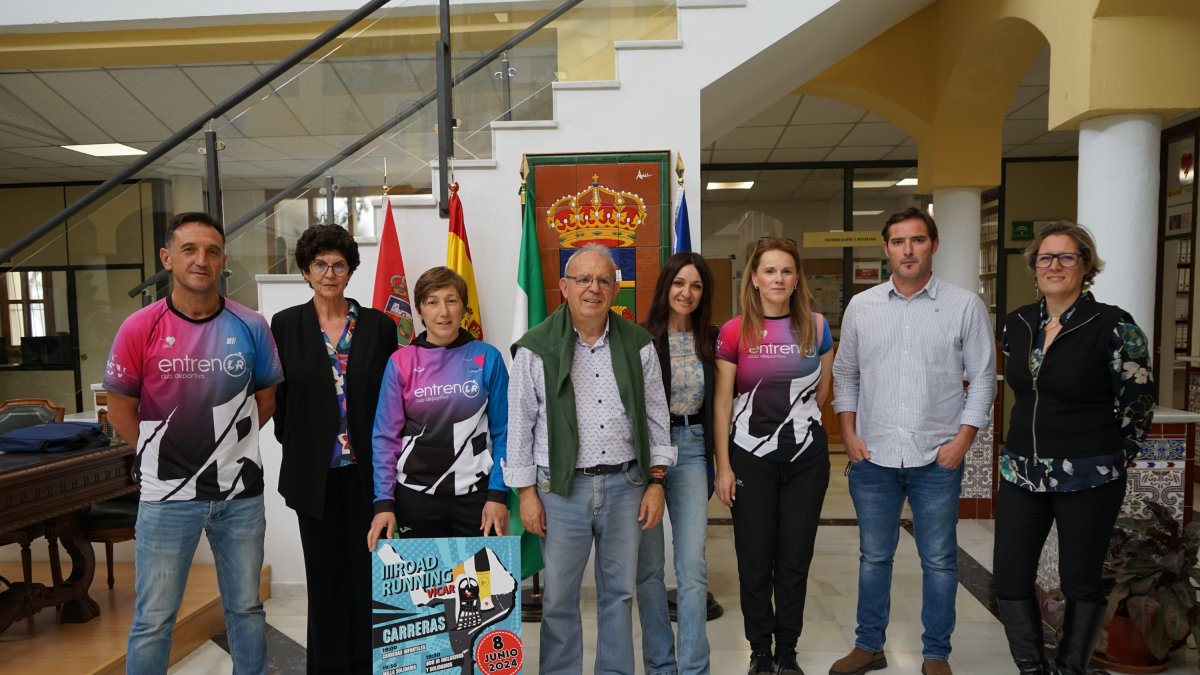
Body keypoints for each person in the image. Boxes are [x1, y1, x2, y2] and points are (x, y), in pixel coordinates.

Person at [105, 212, 283, 675]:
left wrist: (225, 452)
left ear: (223, 260)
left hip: (239, 497)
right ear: (167, 258)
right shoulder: (139, 327)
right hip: (166, 499)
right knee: (153, 619)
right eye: (189, 249)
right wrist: (159, 454)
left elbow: (266, 398)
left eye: (211, 251)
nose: (200, 260)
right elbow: (120, 407)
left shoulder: (251, 325)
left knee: (246, 609)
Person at [830, 207, 996, 675]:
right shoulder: (863, 306)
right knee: (873, 558)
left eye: (917, 241)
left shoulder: (964, 306)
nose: (908, 250)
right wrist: (848, 433)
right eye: (898, 242)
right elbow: (846, 376)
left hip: (937, 459)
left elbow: (983, 380)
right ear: (885, 249)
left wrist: (963, 441)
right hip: (873, 457)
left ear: (934, 245)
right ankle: (869, 646)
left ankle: (936, 654)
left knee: (941, 561)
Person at [505, 243, 676, 674]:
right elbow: (519, 425)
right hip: (560, 491)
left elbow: (657, 419)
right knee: (560, 597)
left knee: (618, 594)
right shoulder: (535, 349)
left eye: (603, 279)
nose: (593, 288)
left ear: (616, 288)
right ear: (564, 287)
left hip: (627, 486)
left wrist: (657, 482)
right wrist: (526, 493)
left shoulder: (638, 344)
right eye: (583, 279)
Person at [994, 221, 1154, 675]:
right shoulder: (1018, 324)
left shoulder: (1115, 325)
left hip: (1090, 474)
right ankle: (1031, 668)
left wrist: (1113, 458)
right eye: (1046, 257)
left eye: (1067, 257)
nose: (1055, 266)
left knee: (1080, 582)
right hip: (1022, 472)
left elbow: (1138, 404)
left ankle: (1069, 670)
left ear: (1086, 267)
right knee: (1009, 579)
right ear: (1034, 267)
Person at [271, 224, 398, 674]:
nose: (329, 273)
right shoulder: (285, 325)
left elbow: (392, 399)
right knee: (325, 581)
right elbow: (281, 400)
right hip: (315, 477)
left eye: (339, 264)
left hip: (370, 476)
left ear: (350, 270)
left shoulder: (381, 326)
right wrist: (306, 444)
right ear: (306, 270)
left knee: (369, 579)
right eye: (320, 264)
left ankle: (370, 667)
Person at [712, 237, 834, 675]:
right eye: (769, 271)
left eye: (786, 270)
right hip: (749, 459)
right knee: (755, 559)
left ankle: (788, 651)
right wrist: (723, 467)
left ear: (796, 278)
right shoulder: (733, 331)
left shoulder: (817, 327)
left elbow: (821, 393)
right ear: (755, 279)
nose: (778, 278)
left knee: (794, 559)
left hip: (806, 461)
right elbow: (723, 404)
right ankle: (760, 651)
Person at [367, 266, 509, 544]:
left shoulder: (488, 357)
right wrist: (383, 502)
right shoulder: (400, 362)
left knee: (480, 586)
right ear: (420, 310)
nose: (443, 312)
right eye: (432, 302)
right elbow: (385, 437)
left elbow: (506, 432)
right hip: (415, 498)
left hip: (478, 499)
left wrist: (498, 493)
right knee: (424, 588)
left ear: (464, 307)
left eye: (451, 300)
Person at [636, 252, 718, 675]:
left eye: (696, 285)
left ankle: (693, 668)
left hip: (692, 446)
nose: (687, 292)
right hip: (646, 453)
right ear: (666, 287)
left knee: (692, 567)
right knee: (649, 568)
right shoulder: (641, 338)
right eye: (679, 283)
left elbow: (723, 405)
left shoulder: (712, 338)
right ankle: (660, 665)